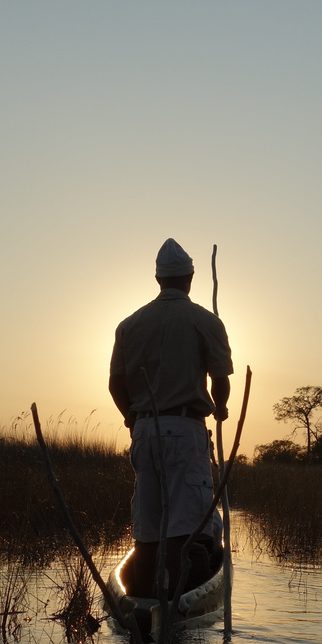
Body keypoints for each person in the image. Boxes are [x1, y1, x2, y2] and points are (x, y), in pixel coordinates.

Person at [108, 239, 233, 614]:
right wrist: (222, 408)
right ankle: (170, 610)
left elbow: (116, 385)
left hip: (144, 431)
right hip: (185, 429)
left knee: (148, 523)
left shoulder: (130, 324)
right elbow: (220, 378)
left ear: (159, 279)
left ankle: (143, 603)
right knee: (185, 525)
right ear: (190, 278)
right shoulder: (205, 321)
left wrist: (133, 419)